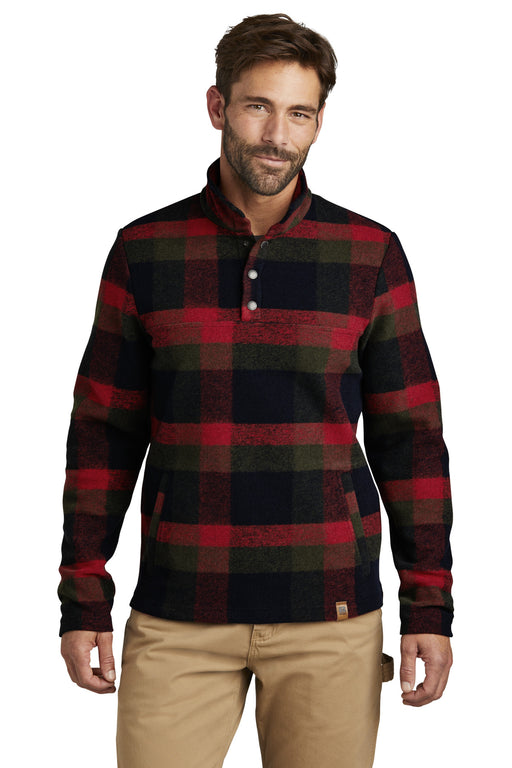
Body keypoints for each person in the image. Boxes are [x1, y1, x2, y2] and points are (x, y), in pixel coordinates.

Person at [59, 13, 453, 768]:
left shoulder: (370, 254)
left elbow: (412, 441)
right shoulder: (144, 250)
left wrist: (428, 606)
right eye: (257, 107)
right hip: (178, 609)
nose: (276, 134)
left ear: (319, 122)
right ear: (217, 107)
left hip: (331, 615)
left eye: (299, 113)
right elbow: (103, 433)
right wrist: (83, 596)